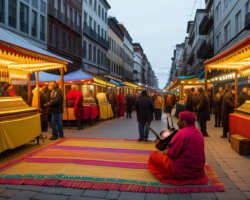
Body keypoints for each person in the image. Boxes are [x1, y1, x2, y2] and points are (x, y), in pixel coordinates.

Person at [148, 111, 208, 185]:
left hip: (182, 172)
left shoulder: (182, 133)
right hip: (197, 171)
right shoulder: (199, 132)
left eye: (179, 120)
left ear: (184, 122)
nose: (177, 123)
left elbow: (171, 154)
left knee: (153, 155)